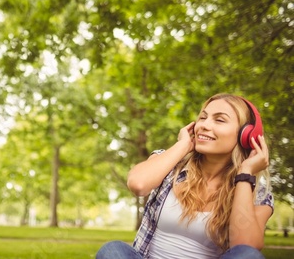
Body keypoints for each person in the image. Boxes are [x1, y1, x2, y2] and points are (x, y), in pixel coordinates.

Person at [96, 93, 274, 259]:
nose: (204, 125)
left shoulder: (258, 192)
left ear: (246, 136)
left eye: (219, 120)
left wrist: (244, 175)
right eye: (203, 117)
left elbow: (245, 247)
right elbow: (138, 184)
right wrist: (183, 145)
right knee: (113, 250)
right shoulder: (171, 163)